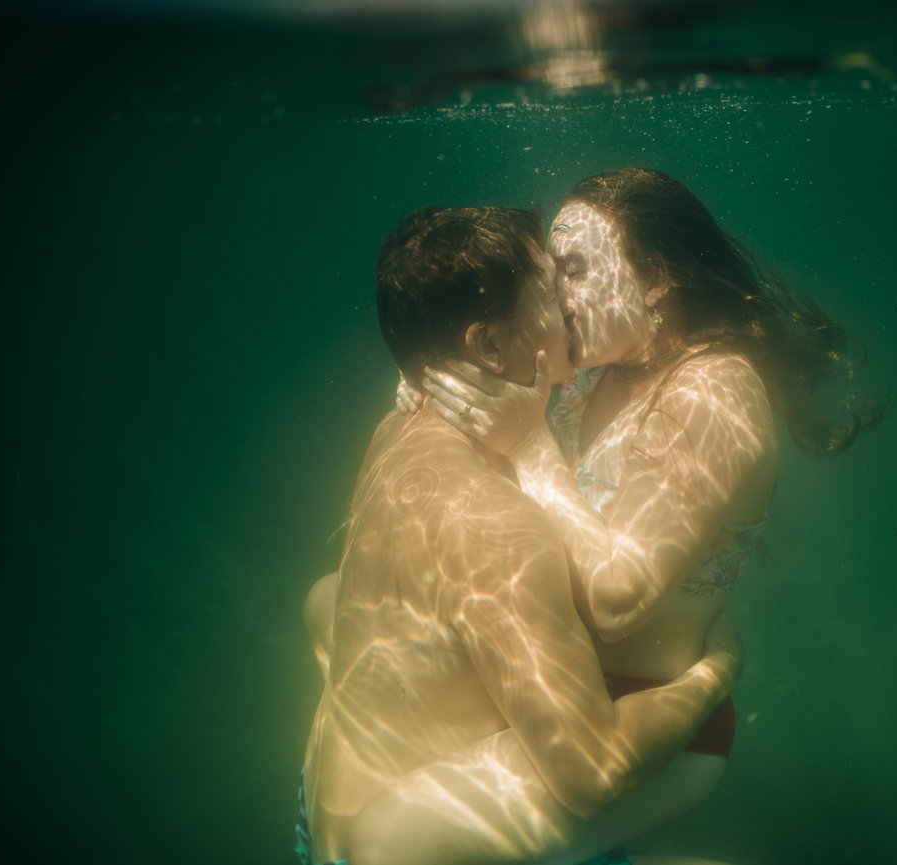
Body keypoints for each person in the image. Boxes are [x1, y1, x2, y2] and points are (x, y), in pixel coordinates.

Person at [417, 166, 880, 839]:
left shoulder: (713, 392)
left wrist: (530, 447)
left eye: (574, 270)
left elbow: (615, 599)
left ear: (658, 277)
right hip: (551, 689)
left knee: (390, 842)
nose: (555, 297)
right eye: (551, 275)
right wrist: (445, 399)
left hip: (641, 723)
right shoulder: (588, 373)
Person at [299, 205, 743, 865]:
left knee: (325, 595)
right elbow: (591, 772)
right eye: (550, 290)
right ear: (486, 345)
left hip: (318, 823)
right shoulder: (499, 527)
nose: (569, 303)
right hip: (405, 850)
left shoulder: (394, 431)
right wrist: (712, 674)